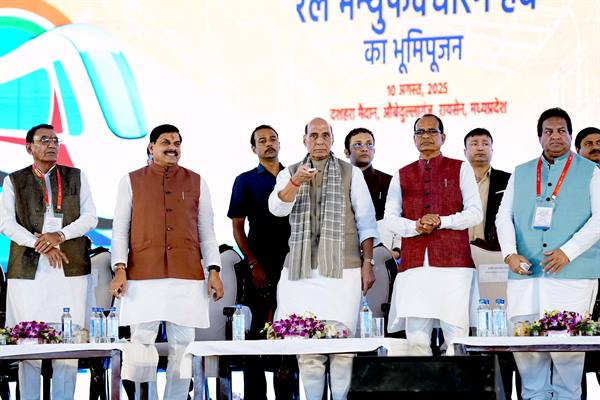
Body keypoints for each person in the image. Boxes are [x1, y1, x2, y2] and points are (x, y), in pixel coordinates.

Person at [110, 124, 224, 399]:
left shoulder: (197, 181)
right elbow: (120, 230)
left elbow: (207, 231)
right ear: (151, 147)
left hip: (187, 274)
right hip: (142, 274)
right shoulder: (130, 180)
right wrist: (120, 268)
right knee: (140, 344)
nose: (172, 147)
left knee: (183, 348)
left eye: (177, 142)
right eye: (165, 142)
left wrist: (214, 270)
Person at [269, 117, 378, 400]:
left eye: (325, 135)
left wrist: (368, 263)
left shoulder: (350, 172)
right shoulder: (289, 172)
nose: (319, 140)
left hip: (344, 271)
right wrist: (296, 182)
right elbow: (277, 208)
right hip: (301, 271)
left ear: (332, 139)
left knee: (342, 348)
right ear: (304, 140)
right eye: (314, 135)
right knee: (307, 350)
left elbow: (367, 223)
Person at [496, 108, 600, 400]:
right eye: (548, 131)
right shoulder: (521, 172)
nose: (555, 136)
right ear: (540, 137)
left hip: (572, 273)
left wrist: (569, 251)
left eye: (561, 131)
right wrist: (509, 254)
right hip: (525, 274)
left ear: (570, 134)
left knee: (567, 352)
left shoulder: (591, 172)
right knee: (527, 351)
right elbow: (503, 217)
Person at [0, 124, 97, 400]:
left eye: (55, 140)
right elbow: (5, 223)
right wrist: (41, 244)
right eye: (44, 140)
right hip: (28, 273)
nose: (52, 145)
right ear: (29, 147)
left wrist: (59, 236)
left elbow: (90, 217)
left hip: (70, 269)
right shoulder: (15, 181)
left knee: (68, 344)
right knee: (27, 343)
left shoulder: (76, 177)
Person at [383, 114, 482, 356]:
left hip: (454, 264)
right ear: (414, 138)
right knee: (416, 340)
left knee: (456, 338)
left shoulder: (461, 168)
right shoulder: (402, 174)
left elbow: (475, 213)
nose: (425, 136)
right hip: (414, 265)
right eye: (420, 132)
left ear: (443, 137)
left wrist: (442, 221)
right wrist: (416, 226)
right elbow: (390, 219)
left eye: (431, 131)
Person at [227, 125, 297, 399]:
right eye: (262, 140)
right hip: (259, 264)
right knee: (256, 334)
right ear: (253, 148)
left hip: (293, 263)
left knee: (290, 330)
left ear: (280, 143)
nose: (269, 144)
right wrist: (253, 264)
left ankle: (288, 395)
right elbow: (237, 228)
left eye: (273, 139)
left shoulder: (294, 176)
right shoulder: (245, 180)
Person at [343, 128, 399, 260]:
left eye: (369, 144)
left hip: (381, 255)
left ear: (374, 150)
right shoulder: (337, 183)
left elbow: (399, 218)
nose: (364, 149)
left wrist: (396, 251)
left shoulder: (389, 182)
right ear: (346, 152)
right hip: (345, 256)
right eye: (358, 144)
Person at [463, 128, 511, 251]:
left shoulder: (508, 180)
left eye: (485, 144)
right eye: (474, 144)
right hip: (459, 251)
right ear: (465, 152)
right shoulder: (454, 180)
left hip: (494, 251)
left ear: (491, 150)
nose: (480, 148)